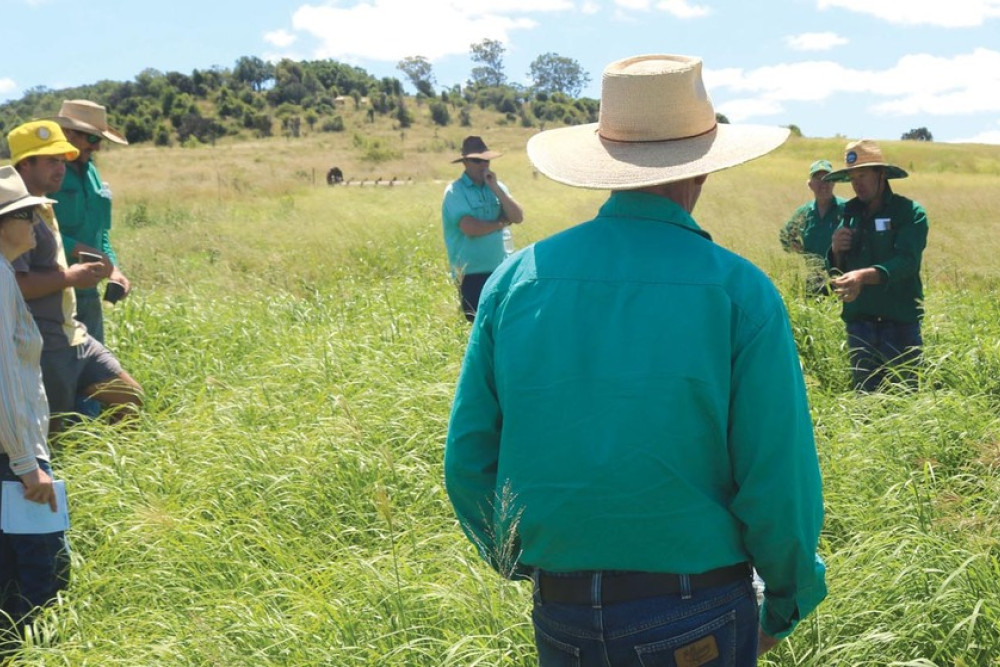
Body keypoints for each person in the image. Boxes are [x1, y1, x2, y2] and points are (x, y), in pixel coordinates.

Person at [444, 54, 827, 665]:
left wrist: (522, 557)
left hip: (561, 607)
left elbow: (468, 458)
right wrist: (789, 596)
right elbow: (777, 478)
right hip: (696, 605)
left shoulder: (516, 281)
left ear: (607, 168)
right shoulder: (740, 291)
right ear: (703, 173)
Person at [7, 120, 143, 434]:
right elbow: (14, 286)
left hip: (73, 334)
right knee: (54, 436)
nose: (61, 168)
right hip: (43, 346)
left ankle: (111, 468)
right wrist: (71, 277)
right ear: (25, 164)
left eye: (62, 160)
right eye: (52, 161)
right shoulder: (15, 214)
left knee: (130, 397)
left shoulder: (43, 204)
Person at [0, 166, 69, 645]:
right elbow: (4, 379)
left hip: (14, 451)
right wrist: (28, 466)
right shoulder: (0, 280)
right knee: (42, 581)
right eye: (26, 215)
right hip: (14, 459)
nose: (38, 226)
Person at [825, 139, 928, 392]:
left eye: (863, 174)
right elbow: (838, 272)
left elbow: (906, 262)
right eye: (852, 177)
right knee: (865, 401)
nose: (856, 183)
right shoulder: (848, 213)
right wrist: (836, 251)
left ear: (881, 175)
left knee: (905, 399)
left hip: (900, 323)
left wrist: (862, 276)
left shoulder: (909, 213)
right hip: (859, 324)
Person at [50, 99, 131, 345]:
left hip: (88, 294)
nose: (96, 148)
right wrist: (81, 250)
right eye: (92, 139)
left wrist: (113, 269)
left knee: (95, 374)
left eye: (100, 141)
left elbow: (100, 231)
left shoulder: (91, 171)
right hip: (52, 293)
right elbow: (33, 229)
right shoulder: (46, 171)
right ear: (67, 133)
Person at [441, 135, 524, 322]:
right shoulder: (455, 191)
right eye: (476, 160)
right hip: (471, 274)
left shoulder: (496, 186)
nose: (483, 164)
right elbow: (470, 228)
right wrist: (500, 223)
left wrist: (496, 189)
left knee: (504, 324)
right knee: (478, 327)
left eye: (485, 159)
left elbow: (517, 217)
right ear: (465, 163)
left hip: (501, 268)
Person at [779, 159, 846, 294]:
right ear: (810, 184)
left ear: (834, 182)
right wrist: (794, 246)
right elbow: (784, 236)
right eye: (818, 179)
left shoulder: (847, 208)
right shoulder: (804, 212)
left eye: (827, 179)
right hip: (812, 280)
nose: (823, 185)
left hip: (841, 279)